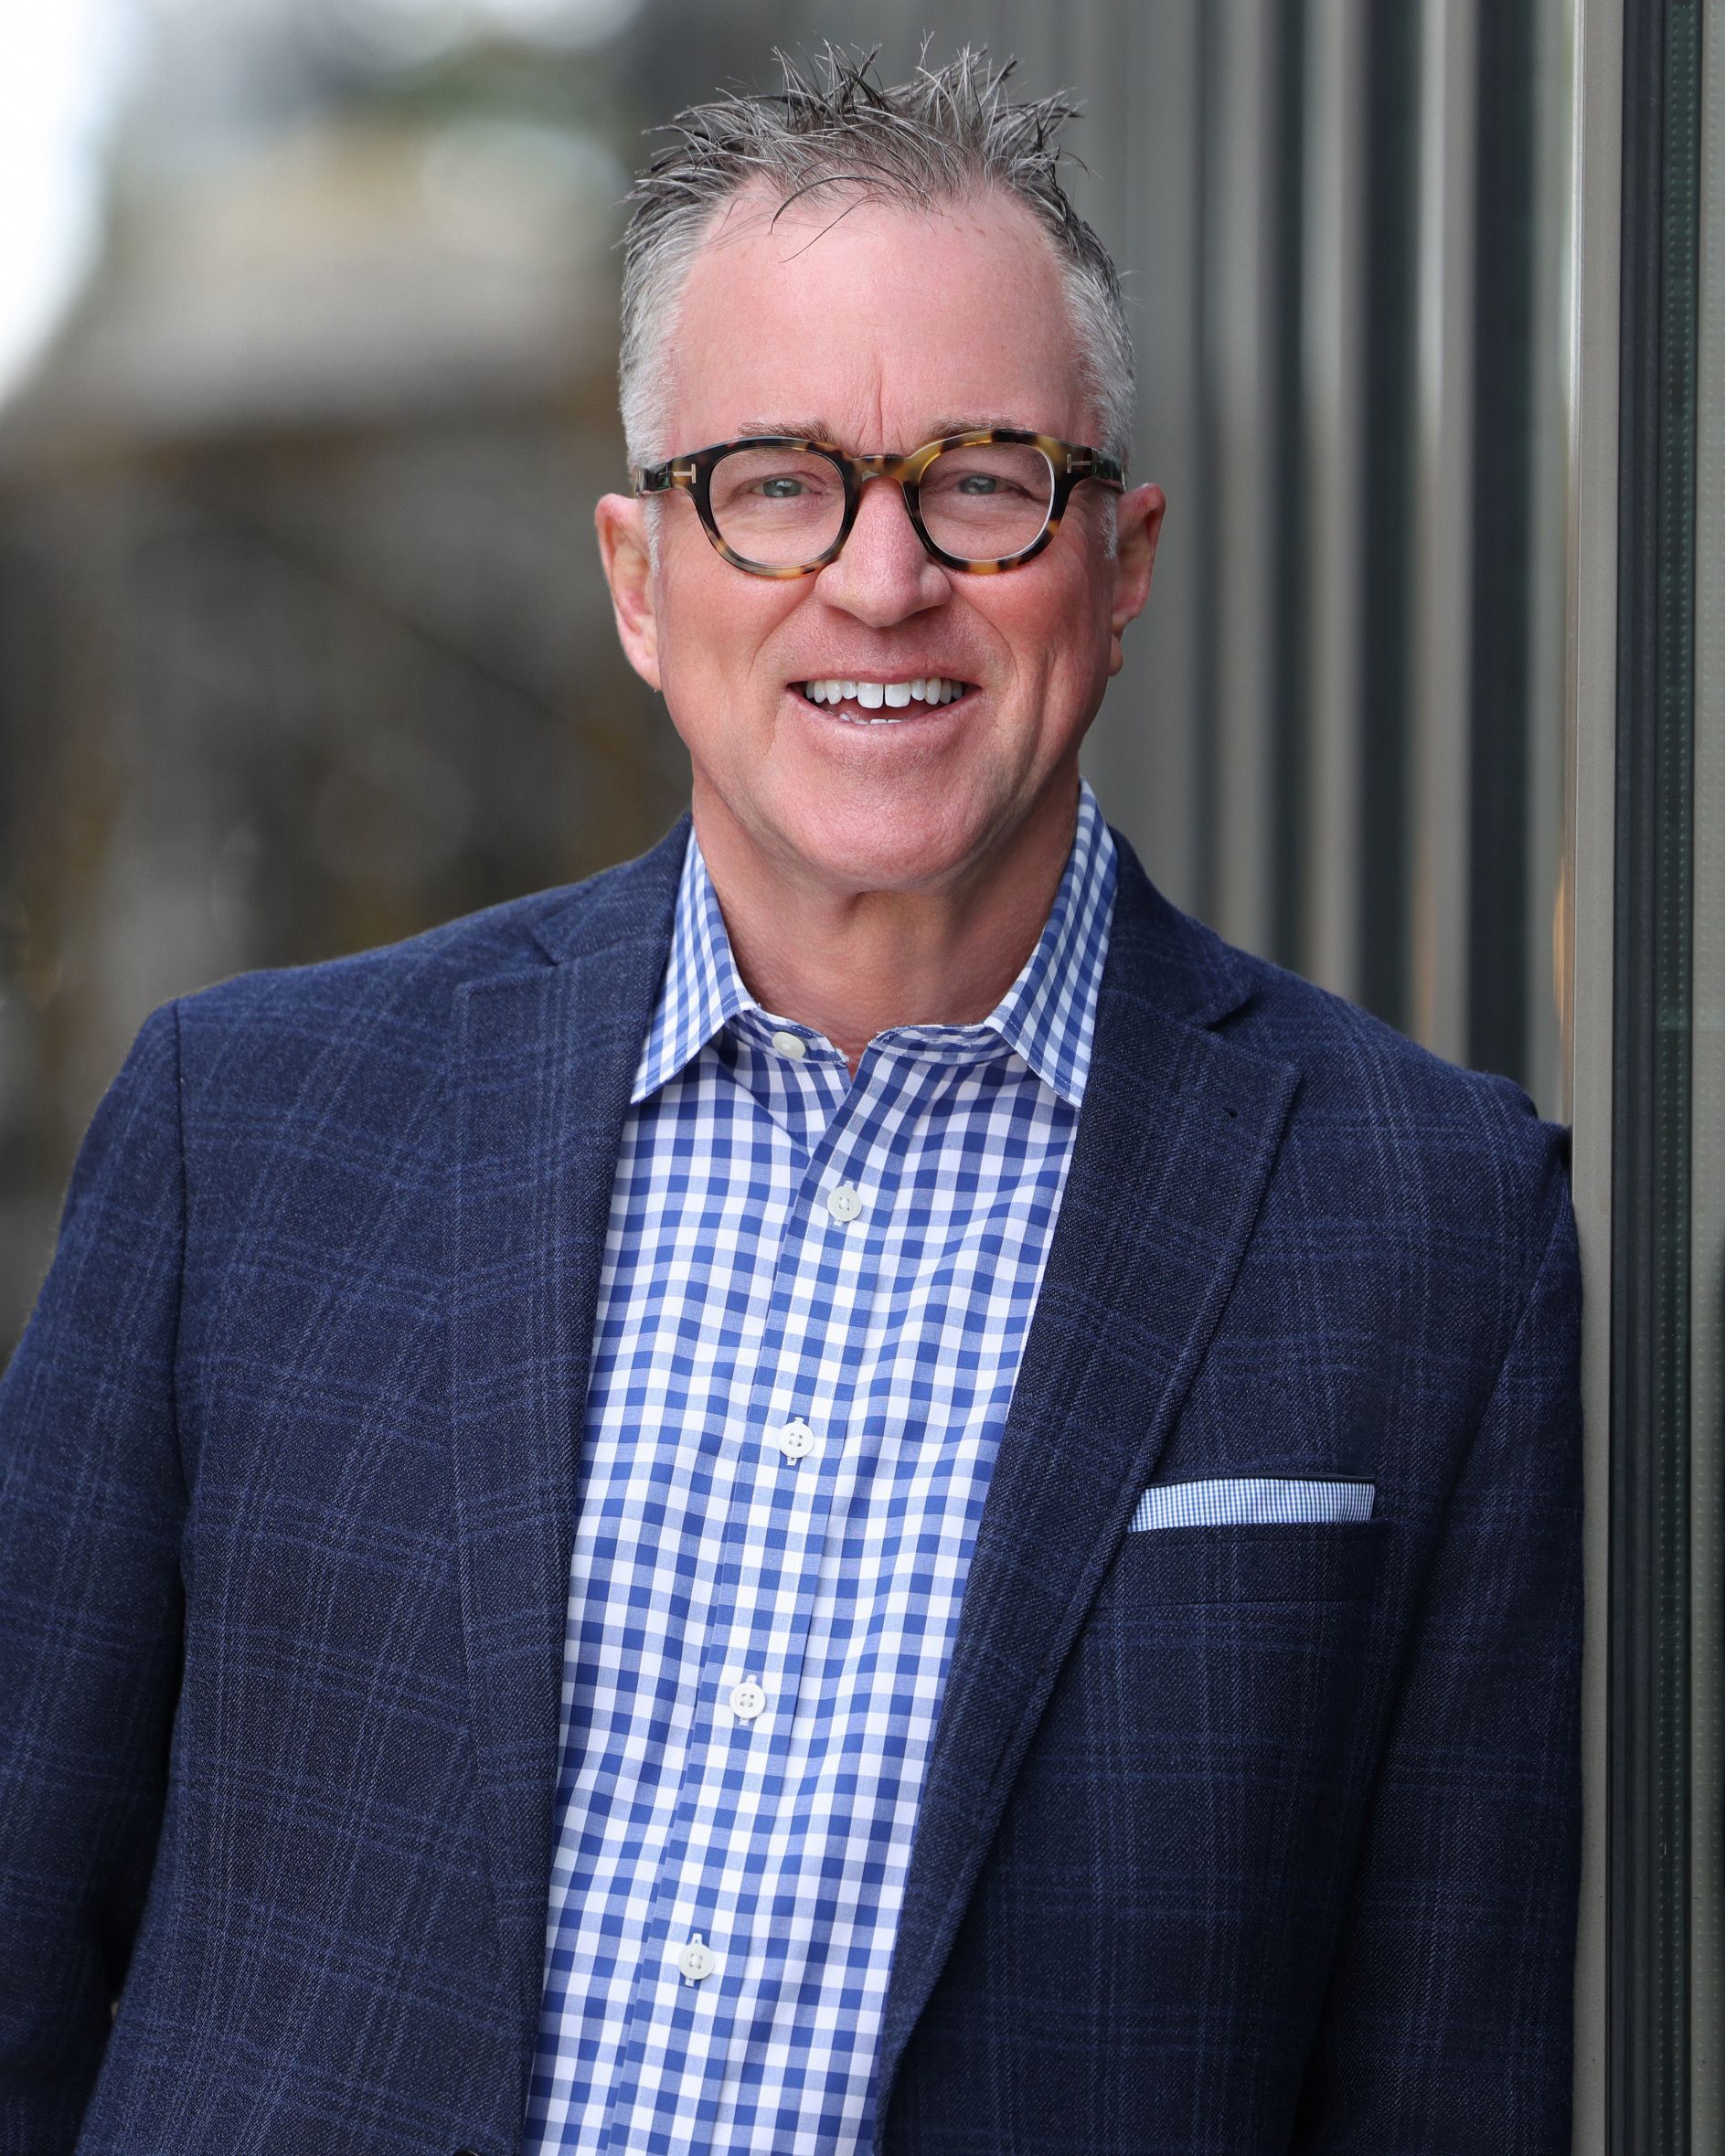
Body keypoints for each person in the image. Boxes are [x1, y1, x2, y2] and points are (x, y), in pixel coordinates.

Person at [0, 47, 1581, 2156]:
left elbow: (1438, 2087)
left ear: (1117, 563)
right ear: (639, 579)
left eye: (984, 477)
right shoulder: (247, 1134)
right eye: (773, 482)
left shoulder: (1432, 1232)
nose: (878, 576)